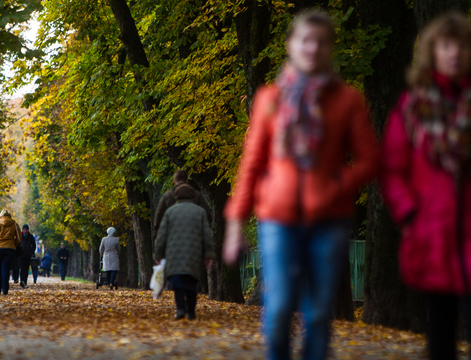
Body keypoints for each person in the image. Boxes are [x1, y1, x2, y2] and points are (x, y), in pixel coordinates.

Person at [222, 10, 378, 360]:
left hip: (329, 220)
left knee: (319, 314)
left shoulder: (347, 100)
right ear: (292, 45)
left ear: (330, 49)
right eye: (306, 40)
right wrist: (235, 223)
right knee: (278, 309)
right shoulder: (270, 99)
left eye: (321, 42)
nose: (313, 48)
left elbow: (371, 159)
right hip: (278, 219)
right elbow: (251, 165)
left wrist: (340, 183)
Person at [380, 12, 471, 360]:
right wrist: (409, 213)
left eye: (461, 46)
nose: (454, 54)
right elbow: (393, 168)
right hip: (432, 230)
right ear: (433, 51)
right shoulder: (412, 106)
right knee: (440, 332)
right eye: (446, 46)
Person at [154, 185, 215, 320]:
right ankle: (191, 311)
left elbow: (162, 235)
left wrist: (158, 254)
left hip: (174, 252)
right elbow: (207, 234)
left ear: (176, 196)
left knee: (177, 282)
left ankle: (180, 309)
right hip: (194, 252)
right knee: (191, 281)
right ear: (192, 196)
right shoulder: (200, 212)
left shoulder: (170, 212)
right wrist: (208, 254)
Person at [154, 170, 212, 240]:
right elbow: (207, 215)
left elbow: (159, 218)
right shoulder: (196, 195)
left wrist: (158, 237)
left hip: (172, 238)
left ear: (174, 181)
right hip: (193, 237)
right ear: (187, 181)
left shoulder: (167, 196)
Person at [0, 209, 22, 295]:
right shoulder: (14, 224)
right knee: (5, 269)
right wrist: (14, 244)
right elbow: (19, 237)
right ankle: (5, 290)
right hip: (10, 249)